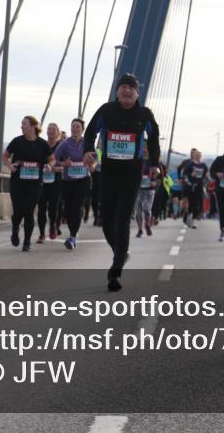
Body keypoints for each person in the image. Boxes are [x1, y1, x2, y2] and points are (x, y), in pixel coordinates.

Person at [84, 73, 162, 292]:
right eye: (123, 87)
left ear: (138, 93)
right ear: (117, 91)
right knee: (106, 221)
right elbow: (90, 133)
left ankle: (115, 272)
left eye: (131, 88)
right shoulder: (106, 111)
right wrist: (89, 150)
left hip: (131, 175)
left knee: (122, 221)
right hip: (108, 172)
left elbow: (154, 140)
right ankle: (121, 253)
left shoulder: (144, 114)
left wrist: (154, 163)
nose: (127, 91)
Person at [4, 116, 53, 252]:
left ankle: (27, 241)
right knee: (18, 212)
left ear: (33, 126)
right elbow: (5, 155)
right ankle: (15, 229)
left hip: (35, 184)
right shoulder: (17, 141)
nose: (22, 126)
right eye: (21, 124)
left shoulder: (42, 144)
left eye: (24, 124)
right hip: (17, 183)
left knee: (29, 211)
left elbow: (52, 159)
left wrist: (49, 166)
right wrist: (10, 166)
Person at [54, 118, 91, 251]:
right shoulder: (64, 144)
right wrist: (64, 164)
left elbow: (96, 160)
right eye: (73, 126)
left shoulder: (87, 143)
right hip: (68, 181)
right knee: (68, 210)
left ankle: (72, 236)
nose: (75, 129)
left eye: (78, 127)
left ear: (82, 129)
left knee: (77, 207)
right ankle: (73, 233)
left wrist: (91, 163)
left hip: (83, 180)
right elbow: (53, 159)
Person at [39, 122, 64, 243]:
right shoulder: (42, 145)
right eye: (49, 129)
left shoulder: (61, 147)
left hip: (56, 181)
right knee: (41, 207)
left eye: (53, 129)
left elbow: (65, 166)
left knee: (53, 207)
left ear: (57, 133)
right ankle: (41, 234)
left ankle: (53, 225)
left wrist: (54, 168)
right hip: (42, 181)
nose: (50, 131)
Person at [183, 149, 208, 230]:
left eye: (199, 156)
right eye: (196, 156)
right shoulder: (190, 164)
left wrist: (206, 180)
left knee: (197, 203)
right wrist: (191, 175)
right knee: (191, 202)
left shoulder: (204, 165)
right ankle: (189, 216)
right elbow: (185, 174)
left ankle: (193, 219)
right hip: (191, 185)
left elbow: (206, 175)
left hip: (199, 186)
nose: (198, 157)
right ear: (194, 156)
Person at [136, 151, 158, 238]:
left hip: (149, 190)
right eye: (143, 148)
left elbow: (160, 175)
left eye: (146, 148)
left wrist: (155, 182)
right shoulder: (136, 160)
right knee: (138, 211)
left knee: (146, 208)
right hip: (138, 189)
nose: (145, 150)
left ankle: (147, 224)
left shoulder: (153, 162)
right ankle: (140, 230)